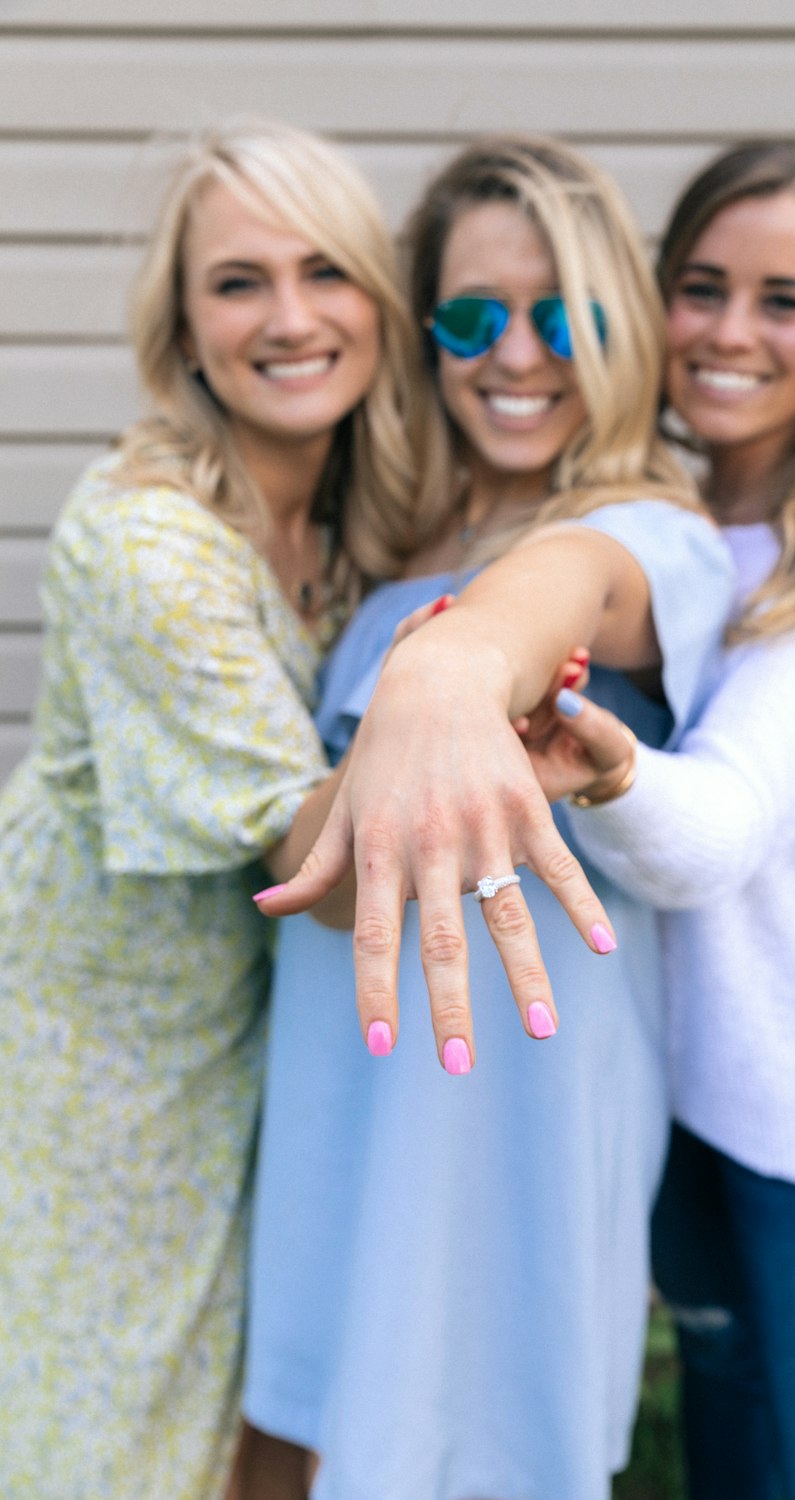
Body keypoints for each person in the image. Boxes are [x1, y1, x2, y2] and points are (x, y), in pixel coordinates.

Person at [461, 141, 795, 1500]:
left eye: (783, 300)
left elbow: (722, 832)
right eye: (701, 286)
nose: (731, 331)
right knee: (729, 1469)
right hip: (670, 1097)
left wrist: (611, 767)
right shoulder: (653, 519)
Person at [239, 135, 735, 1500]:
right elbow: (322, 869)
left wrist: (454, 666)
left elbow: (562, 586)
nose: (514, 355)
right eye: (471, 316)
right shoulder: (385, 550)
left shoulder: (651, 535)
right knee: (295, 1438)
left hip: (504, 1131)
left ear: (617, 331)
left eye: (560, 317)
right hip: (344, 1108)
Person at [0, 117, 446, 1499]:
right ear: (184, 327)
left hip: (241, 1066)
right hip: (85, 1085)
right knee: (93, 1446)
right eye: (239, 281)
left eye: (327, 272)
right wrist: (466, 728)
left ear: (380, 302)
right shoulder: (146, 542)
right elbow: (306, 849)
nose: (291, 316)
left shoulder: (352, 527)